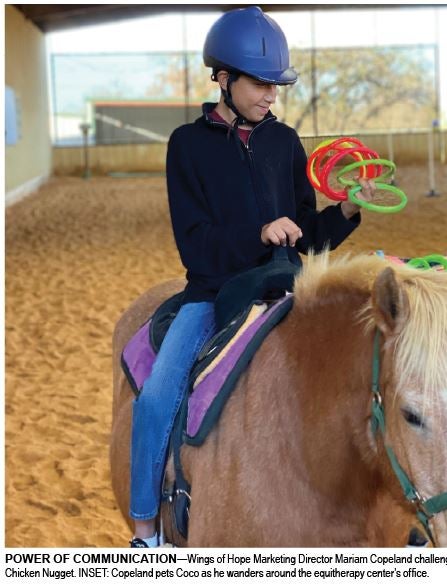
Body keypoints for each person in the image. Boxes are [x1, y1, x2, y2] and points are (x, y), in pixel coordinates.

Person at [129, 6, 374, 548]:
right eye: (261, 83)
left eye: (277, 85)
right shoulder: (186, 147)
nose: (271, 95)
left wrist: (347, 212)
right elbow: (194, 243)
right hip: (212, 294)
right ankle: (146, 529)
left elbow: (307, 235)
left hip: (285, 286)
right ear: (223, 78)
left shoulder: (284, 141)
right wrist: (260, 233)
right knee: (155, 397)